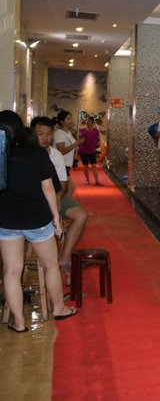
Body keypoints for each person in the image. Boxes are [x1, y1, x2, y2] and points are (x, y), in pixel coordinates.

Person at [0, 110, 78, 332]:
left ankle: (19, 322)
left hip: (7, 220)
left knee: (11, 271)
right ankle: (59, 309)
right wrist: (56, 219)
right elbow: (48, 188)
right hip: (37, 220)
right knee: (50, 265)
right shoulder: (37, 153)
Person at [30, 117, 88, 283]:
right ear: (33, 134)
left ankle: (65, 257)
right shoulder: (27, 154)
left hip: (56, 196)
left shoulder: (55, 155)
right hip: (34, 201)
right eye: (40, 134)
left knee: (81, 215)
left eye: (49, 134)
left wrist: (57, 200)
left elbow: (63, 184)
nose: (45, 138)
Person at [53, 110, 81, 195]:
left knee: (68, 189)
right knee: (69, 188)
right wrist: (77, 143)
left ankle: (61, 202)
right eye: (68, 119)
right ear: (62, 121)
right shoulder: (59, 133)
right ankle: (60, 202)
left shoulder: (68, 132)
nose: (71, 120)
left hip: (66, 164)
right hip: (61, 164)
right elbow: (61, 151)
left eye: (71, 118)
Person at [78, 116, 102, 185]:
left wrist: (97, 143)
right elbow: (79, 138)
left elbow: (98, 139)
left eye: (88, 120)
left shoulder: (96, 131)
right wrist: (80, 136)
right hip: (83, 151)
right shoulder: (82, 130)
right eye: (86, 120)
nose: (87, 122)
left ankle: (97, 181)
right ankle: (87, 180)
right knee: (85, 166)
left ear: (92, 122)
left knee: (94, 165)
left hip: (92, 151)